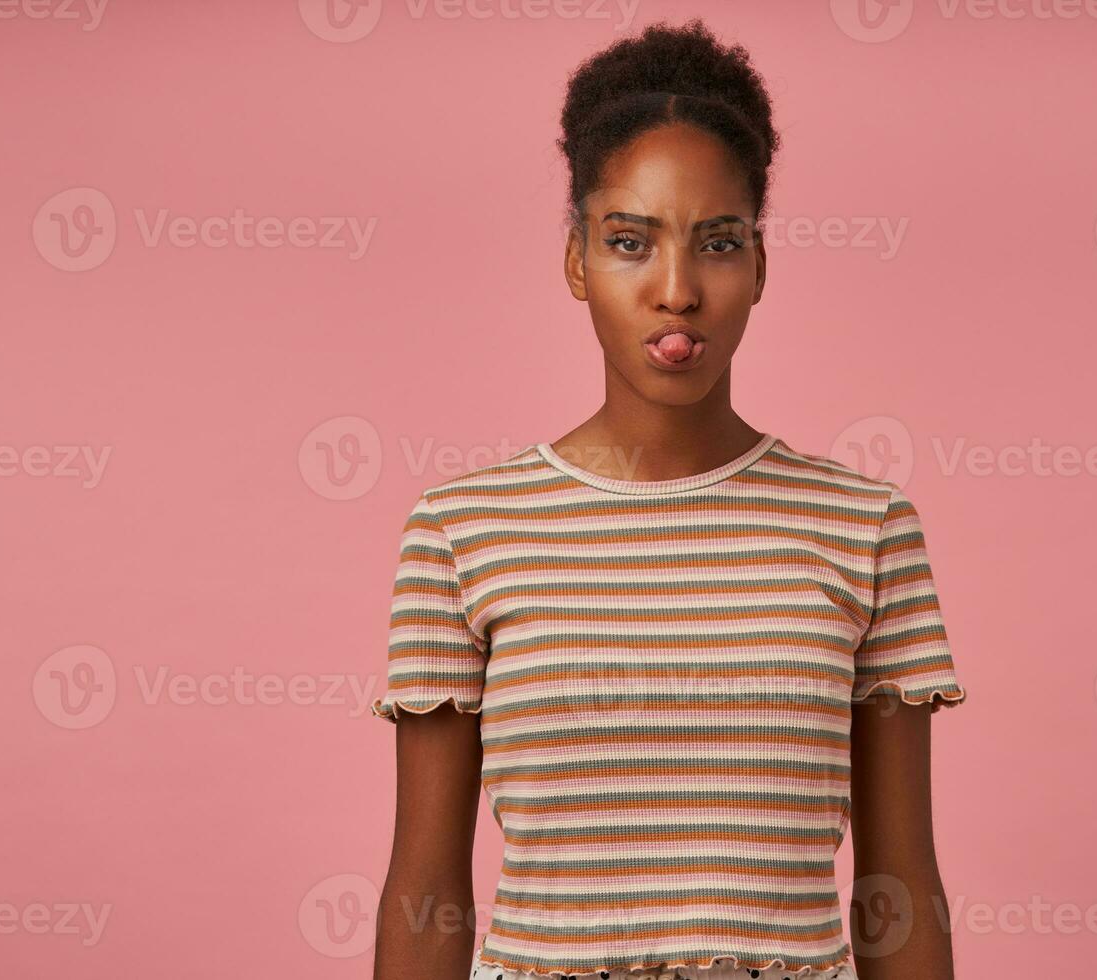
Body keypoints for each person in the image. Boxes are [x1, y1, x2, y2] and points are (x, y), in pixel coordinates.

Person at [371, 18, 967, 980]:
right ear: (577, 261)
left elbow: (898, 884)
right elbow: (426, 891)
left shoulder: (865, 531)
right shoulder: (463, 532)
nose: (677, 290)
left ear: (761, 268)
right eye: (630, 241)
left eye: (718, 243)